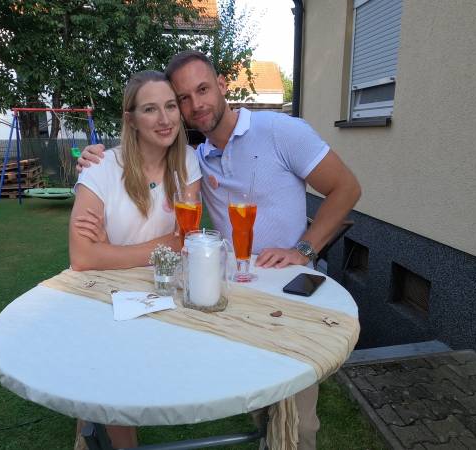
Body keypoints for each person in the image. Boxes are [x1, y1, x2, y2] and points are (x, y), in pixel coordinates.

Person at [77, 51, 361, 450]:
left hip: (287, 290)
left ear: (223, 85)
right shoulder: (199, 158)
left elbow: (346, 188)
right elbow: (145, 159)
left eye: (203, 89)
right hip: (236, 291)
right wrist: (96, 158)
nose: (196, 105)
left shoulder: (281, 130)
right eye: (184, 98)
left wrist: (303, 248)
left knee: (296, 422)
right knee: (260, 401)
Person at [70, 70, 202, 448]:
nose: (164, 119)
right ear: (131, 119)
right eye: (150, 109)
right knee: (114, 382)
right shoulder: (100, 168)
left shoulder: (187, 161)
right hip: (106, 293)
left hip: (161, 289)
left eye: (170, 106)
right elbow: (82, 257)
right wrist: (164, 245)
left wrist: (109, 250)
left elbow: (188, 239)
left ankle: (88, 422)